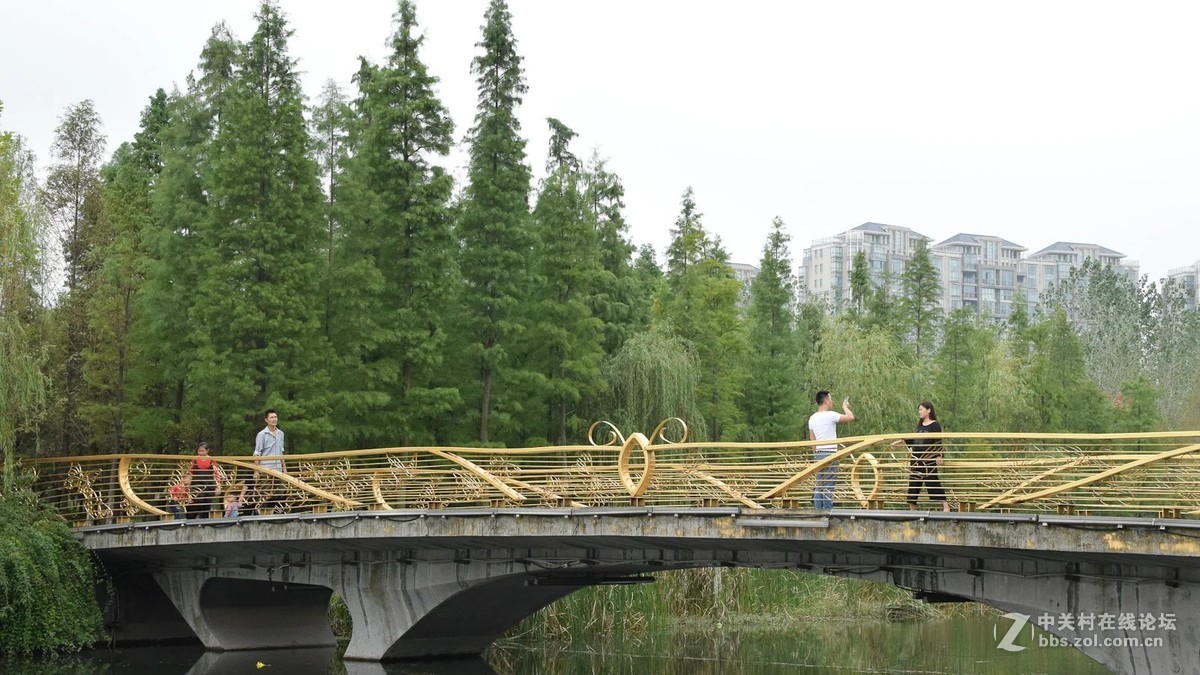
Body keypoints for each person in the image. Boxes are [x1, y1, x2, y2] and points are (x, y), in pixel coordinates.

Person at [891, 400, 949, 512]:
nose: (919, 412)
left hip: (928, 459)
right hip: (916, 458)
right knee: (913, 482)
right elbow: (911, 439)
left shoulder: (935, 425)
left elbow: (938, 441)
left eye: (921, 409)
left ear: (929, 410)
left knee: (932, 480)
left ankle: (945, 506)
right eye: (919, 410)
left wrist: (939, 455)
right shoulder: (919, 426)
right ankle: (913, 508)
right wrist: (898, 443)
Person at [808, 390, 855, 510]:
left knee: (819, 486)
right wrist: (845, 406)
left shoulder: (812, 419)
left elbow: (812, 440)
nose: (832, 401)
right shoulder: (831, 415)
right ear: (826, 400)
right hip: (830, 454)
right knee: (828, 485)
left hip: (818, 454)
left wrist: (816, 456)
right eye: (831, 399)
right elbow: (850, 417)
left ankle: (818, 513)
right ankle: (827, 513)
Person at [253, 409, 286, 513]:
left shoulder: (281, 433)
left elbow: (281, 453)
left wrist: (284, 469)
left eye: (275, 417)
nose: (274, 419)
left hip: (278, 469)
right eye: (271, 417)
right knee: (266, 492)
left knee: (281, 491)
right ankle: (263, 513)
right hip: (266, 468)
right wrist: (257, 471)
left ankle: (270, 510)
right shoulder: (262, 434)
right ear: (266, 420)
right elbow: (257, 453)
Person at [187, 441, 221, 519]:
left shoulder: (212, 460)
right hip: (197, 485)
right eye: (199, 451)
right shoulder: (195, 460)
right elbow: (190, 472)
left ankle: (204, 521)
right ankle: (191, 519)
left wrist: (218, 487)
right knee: (197, 503)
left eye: (203, 451)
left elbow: (217, 474)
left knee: (207, 504)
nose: (201, 453)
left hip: (209, 485)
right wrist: (187, 485)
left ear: (207, 451)